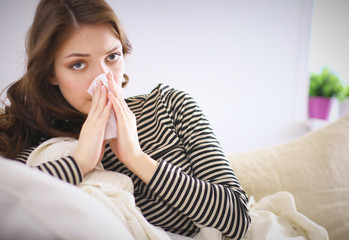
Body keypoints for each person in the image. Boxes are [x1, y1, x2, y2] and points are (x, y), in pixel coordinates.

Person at [0, 0, 250, 239]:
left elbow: (238, 219)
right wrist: (79, 163)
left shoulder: (170, 106)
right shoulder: (37, 144)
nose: (103, 77)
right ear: (51, 73)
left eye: (112, 57)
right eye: (78, 64)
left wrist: (138, 159)